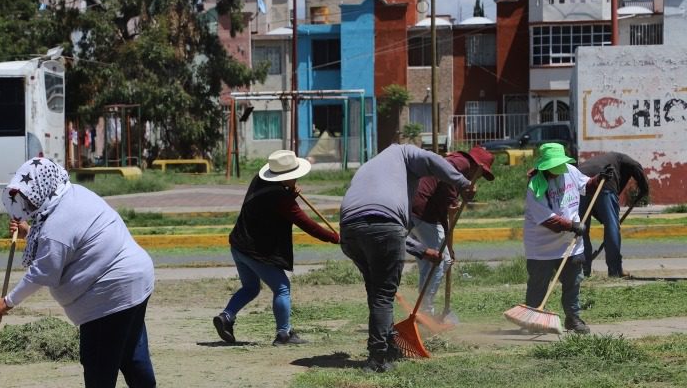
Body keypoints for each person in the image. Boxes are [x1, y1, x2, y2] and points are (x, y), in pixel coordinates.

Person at [0, 158, 165, 388]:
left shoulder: (56, 224)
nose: (27, 207)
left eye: (29, 199)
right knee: (129, 349)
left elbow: (43, 270)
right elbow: (62, 238)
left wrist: (8, 301)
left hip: (109, 290)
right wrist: (28, 232)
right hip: (135, 278)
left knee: (97, 357)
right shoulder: (72, 195)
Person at [340, 144, 474, 373]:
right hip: (382, 227)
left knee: (376, 291)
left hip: (350, 231)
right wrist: (463, 183)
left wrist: (421, 250)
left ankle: (389, 343)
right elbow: (433, 161)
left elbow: (379, 219)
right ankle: (378, 359)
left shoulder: (372, 168)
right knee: (383, 294)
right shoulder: (403, 153)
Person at [212, 150, 340, 346]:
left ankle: (226, 317)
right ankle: (284, 334)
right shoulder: (282, 199)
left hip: (239, 244)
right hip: (256, 250)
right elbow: (307, 225)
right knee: (282, 288)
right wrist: (334, 237)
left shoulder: (259, 181)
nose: (296, 178)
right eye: (293, 176)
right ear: (284, 177)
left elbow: (268, 204)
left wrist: (289, 192)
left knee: (251, 287)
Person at [522, 143, 614, 334]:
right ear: (544, 166)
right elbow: (548, 219)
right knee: (538, 284)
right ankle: (532, 319)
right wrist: (572, 225)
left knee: (573, 282)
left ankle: (573, 318)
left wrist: (599, 179)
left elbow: (586, 187)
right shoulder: (535, 187)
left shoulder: (570, 170)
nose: (557, 170)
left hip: (571, 245)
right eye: (553, 167)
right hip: (542, 247)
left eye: (559, 165)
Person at [410, 146, 496, 314]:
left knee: (429, 261)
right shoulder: (460, 166)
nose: (478, 177)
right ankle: (424, 311)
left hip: (414, 210)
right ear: (477, 166)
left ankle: (422, 307)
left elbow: (446, 209)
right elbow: (448, 210)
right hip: (422, 212)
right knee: (442, 260)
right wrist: (461, 194)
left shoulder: (456, 163)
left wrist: (448, 244)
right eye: (481, 173)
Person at [577, 152, 649, 278]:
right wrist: (644, 188)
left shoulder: (601, 160)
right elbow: (636, 165)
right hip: (603, 182)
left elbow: (595, 207)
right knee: (612, 227)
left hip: (579, 184)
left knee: (581, 228)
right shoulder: (621, 158)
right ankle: (615, 270)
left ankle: (584, 269)